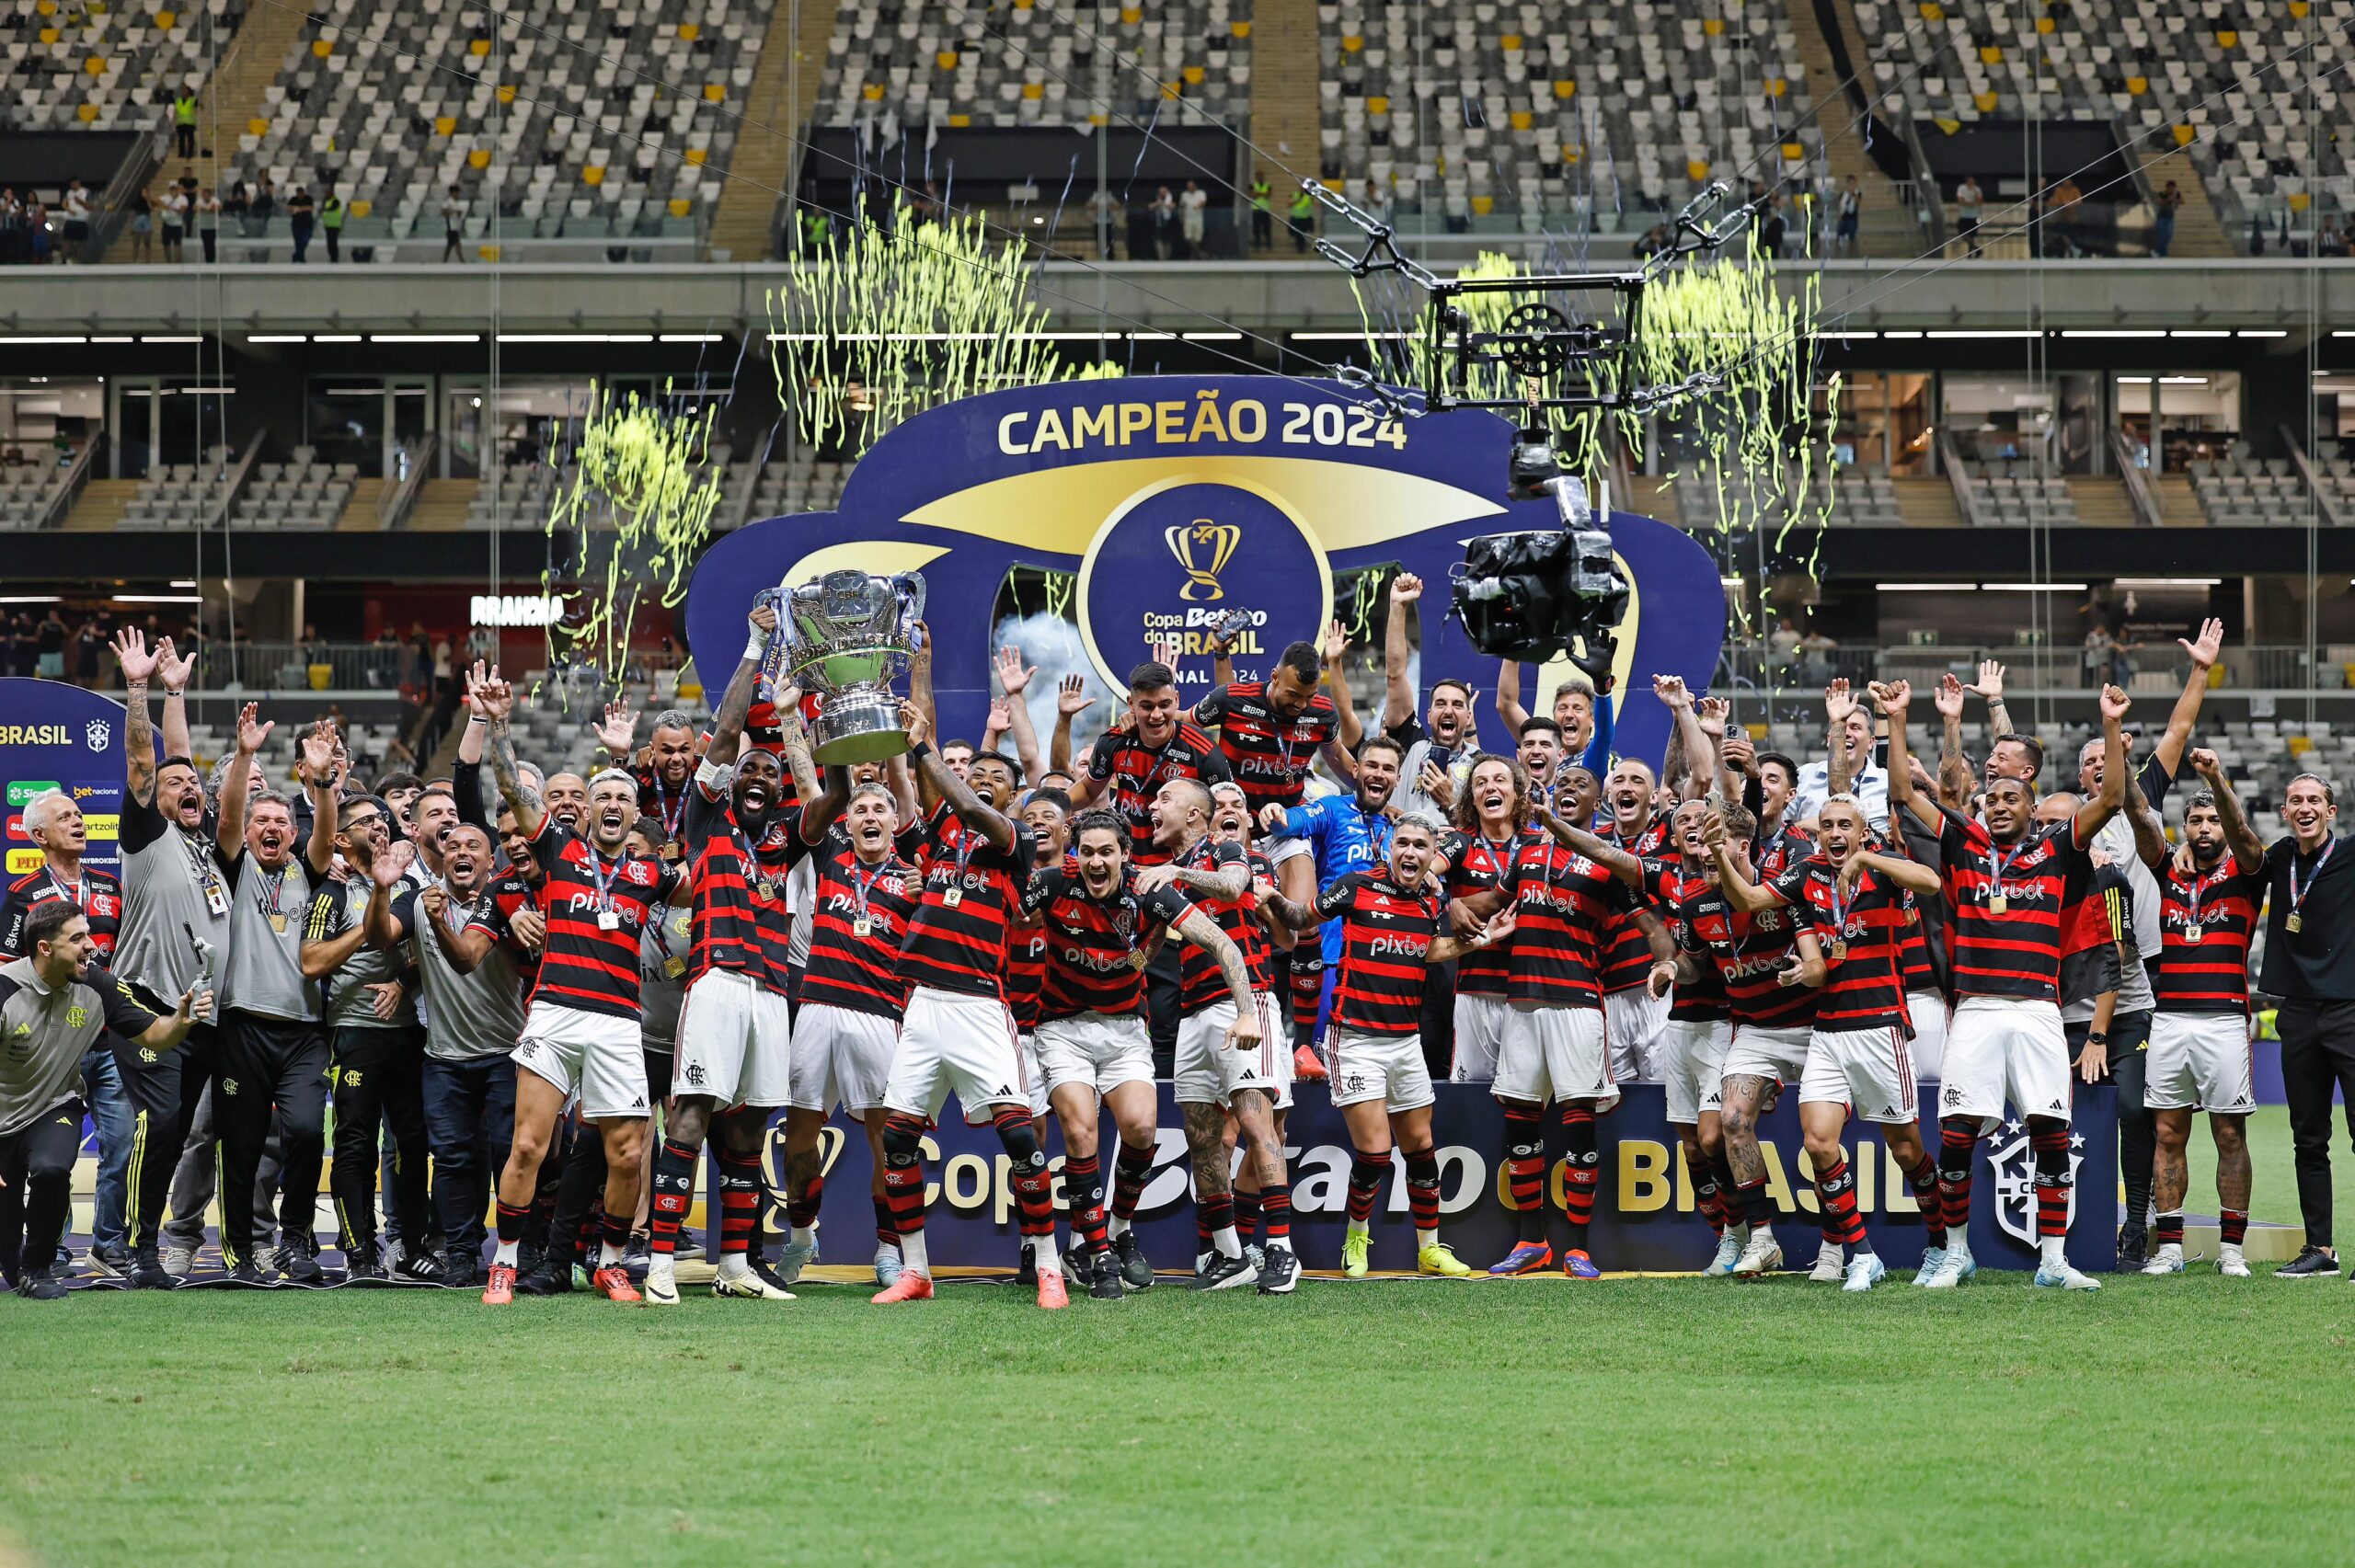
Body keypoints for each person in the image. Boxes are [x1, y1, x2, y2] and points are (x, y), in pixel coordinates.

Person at [1882, 676, 2129, 1292]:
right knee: (1959, 1132)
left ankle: (2052, 1259)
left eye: (2009, 796)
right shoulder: (1962, 842)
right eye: (1989, 796)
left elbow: (2115, 798)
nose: (1996, 804)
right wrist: (1896, 718)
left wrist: (2112, 727)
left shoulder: (2056, 848)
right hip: (1978, 1009)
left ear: (2030, 801)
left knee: (2050, 1130)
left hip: (2040, 1010)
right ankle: (1955, 1252)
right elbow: (1899, 791)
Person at [476, 671, 685, 1305]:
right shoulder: (560, 850)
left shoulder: (651, 871)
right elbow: (512, 787)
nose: (614, 803)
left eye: (624, 794)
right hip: (557, 1014)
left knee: (627, 1155)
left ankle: (613, 1260)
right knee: (530, 1144)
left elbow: (706, 874)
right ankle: (506, 1260)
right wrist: (498, 723)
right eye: (605, 796)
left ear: (634, 807)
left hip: (619, 1021)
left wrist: (634, 763)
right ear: (589, 809)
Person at [645, 603, 813, 1307]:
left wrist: (795, 728)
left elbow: (824, 795)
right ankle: (658, 1263)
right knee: (691, 1113)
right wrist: (756, 643)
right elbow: (725, 734)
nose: (757, 776)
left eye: (770, 774)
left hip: (772, 990)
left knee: (747, 1128)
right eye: (749, 768)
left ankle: (736, 1263)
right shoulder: (707, 816)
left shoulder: (789, 833)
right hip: (715, 979)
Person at [870, 709, 1067, 1309]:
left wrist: (927, 746)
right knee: (899, 1139)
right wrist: (916, 718)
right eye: (974, 771)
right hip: (924, 1003)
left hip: (981, 1006)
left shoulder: (1015, 839)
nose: (982, 778)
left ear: (1013, 793)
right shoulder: (939, 837)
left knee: (1021, 1141)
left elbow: (968, 805)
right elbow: (917, 790)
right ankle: (917, 1270)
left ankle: (1050, 1268)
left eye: (994, 775)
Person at [1710, 795, 1943, 1291]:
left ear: (1862, 832)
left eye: (1846, 827)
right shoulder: (1808, 874)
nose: (1835, 834)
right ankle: (1862, 1254)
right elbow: (1750, 900)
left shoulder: (1882, 869)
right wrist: (1720, 860)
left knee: (1906, 1151)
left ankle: (1944, 1243)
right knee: (1819, 1142)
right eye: (1827, 827)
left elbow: (1932, 881)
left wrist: (1866, 858)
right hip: (1829, 1031)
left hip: (1880, 1028)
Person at [1272, 813, 1514, 1278]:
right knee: (1377, 1152)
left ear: (1431, 855)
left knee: (1422, 1146)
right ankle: (1355, 1241)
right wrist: (1270, 899)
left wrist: (1482, 940)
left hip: (1406, 1042)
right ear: (1388, 847)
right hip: (1356, 1040)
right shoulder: (1355, 886)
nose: (1410, 853)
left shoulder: (1432, 899)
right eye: (1402, 843)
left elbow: (1429, 951)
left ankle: (1430, 1250)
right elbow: (1303, 918)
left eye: (1421, 846)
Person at [1030, 806, 1259, 1294]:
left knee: (1140, 1129)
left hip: (1126, 1029)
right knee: (1081, 1132)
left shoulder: (1148, 891)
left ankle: (1115, 1233)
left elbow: (1223, 945)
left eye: (1106, 853)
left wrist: (1246, 1011)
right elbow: (997, 912)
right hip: (1061, 1028)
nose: (1096, 862)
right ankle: (1094, 1256)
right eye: (1087, 851)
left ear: (1125, 856)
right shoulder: (1052, 883)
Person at [0, 904, 212, 1299]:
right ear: (45, 948)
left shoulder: (97, 983)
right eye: (77, 939)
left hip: (54, 1104)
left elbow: (155, 1035)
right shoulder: (5, 989)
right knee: (6, 1243)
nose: (91, 946)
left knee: (51, 1168)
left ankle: (39, 1267)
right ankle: (17, 1266)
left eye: (89, 935)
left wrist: (182, 1020)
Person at [212, 709, 342, 1285]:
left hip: (303, 1033)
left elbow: (327, 834)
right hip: (242, 1027)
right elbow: (229, 815)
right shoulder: (234, 869)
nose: (268, 827)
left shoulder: (307, 872)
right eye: (260, 819)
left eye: (279, 822)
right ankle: (240, 1247)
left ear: (291, 832)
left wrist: (321, 782)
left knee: (309, 1132)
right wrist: (243, 757)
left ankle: (293, 1238)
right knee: (239, 1145)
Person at [775, 775, 920, 1288]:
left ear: (895, 821)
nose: (870, 817)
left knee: (884, 1139)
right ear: (848, 822)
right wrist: (794, 720)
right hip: (815, 1008)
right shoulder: (830, 860)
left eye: (880, 809)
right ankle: (800, 1238)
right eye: (860, 809)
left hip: (878, 1015)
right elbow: (815, 787)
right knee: (797, 1138)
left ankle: (888, 1247)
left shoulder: (913, 880)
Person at [372, 819, 529, 1288]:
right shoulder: (418, 899)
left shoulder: (507, 901)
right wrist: (381, 891)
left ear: (489, 858)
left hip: (506, 1051)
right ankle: (461, 1253)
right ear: (440, 857)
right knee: (454, 1158)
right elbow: (382, 937)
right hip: (444, 1057)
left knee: (510, 1155)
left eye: (473, 846)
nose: (462, 853)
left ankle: (517, 1251)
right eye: (452, 845)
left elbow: (465, 959)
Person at [2124, 750, 2263, 1277]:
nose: (2205, 829)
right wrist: (2120, 749)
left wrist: (2214, 779)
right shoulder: (2167, 869)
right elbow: (2138, 814)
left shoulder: (2250, 872)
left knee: (2230, 1135)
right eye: (2195, 820)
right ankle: (2170, 1248)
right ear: (2184, 826)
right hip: (2170, 1019)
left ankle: (2231, 1250)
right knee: (2168, 1134)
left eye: (2213, 820)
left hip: (2224, 1019)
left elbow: (2245, 835)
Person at [1155, 777, 1295, 1292]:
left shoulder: (1226, 849)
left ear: (1195, 815)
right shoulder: (1168, 879)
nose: (1153, 807)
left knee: (1258, 1126)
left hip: (1246, 1000)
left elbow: (1235, 887)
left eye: (1165, 799)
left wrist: (1174, 870)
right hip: (1192, 1012)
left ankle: (1281, 1250)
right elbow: (1145, 952)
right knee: (1201, 1138)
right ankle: (1230, 1256)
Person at [300, 795, 441, 1283]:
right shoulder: (331, 893)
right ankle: (358, 1250)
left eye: (383, 820)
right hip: (354, 1032)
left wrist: (404, 977)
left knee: (411, 1142)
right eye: (366, 822)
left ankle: (411, 1248)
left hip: (406, 1032)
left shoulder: (412, 888)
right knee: (354, 1143)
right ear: (341, 839)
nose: (380, 826)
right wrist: (367, 926)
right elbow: (312, 962)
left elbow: (432, 954)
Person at [0, 790, 132, 1277]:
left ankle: (108, 1245)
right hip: (51, 1048)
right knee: (51, 1161)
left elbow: (119, 960)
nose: (79, 822)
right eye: (66, 818)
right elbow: (7, 969)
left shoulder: (108, 884)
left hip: (107, 1038)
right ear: (39, 836)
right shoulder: (23, 892)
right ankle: (51, 1250)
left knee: (120, 1145)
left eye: (80, 815)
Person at [2257, 772, 2355, 1277]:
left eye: (2315, 799)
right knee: (2308, 1137)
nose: (2305, 807)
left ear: (2331, 810)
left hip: (2349, 1010)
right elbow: (2234, 847)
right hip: (2296, 1011)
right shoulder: (2277, 859)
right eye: (2296, 800)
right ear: (2285, 811)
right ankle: (2321, 1249)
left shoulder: (2351, 854)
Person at [1178, 178, 1208, 258]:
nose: (1190, 188)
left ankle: (1193, 255)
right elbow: (1182, 207)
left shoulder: (1201, 193)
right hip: (1188, 219)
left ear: (1195, 186)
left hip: (1198, 218)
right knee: (1188, 237)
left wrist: (1198, 206)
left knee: (1197, 238)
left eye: (1191, 186)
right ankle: (1200, 252)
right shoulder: (1184, 195)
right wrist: (1181, 218)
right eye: (1188, 187)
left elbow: (1203, 202)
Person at [2151, 180, 2181, 258]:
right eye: (2170, 188)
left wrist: (2175, 199)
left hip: (2170, 217)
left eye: (2173, 188)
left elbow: (2181, 201)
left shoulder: (2176, 195)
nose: (2171, 189)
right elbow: (2157, 201)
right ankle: (2160, 252)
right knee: (2161, 235)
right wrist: (2168, 199)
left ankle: (2159, 251)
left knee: (2168, 235)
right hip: (2162, 217)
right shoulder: (2163, 194)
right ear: (2167, 188)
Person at [1955, 175, 1982, 255]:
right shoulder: (1961, 188)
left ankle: (1971, 253)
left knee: (1972, 235)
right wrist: (1971, 204)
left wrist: (1975, 193)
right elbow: (1961, 201)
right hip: (1964, 216)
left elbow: (1979, 202)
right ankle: (1976, 249)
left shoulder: (1977, 189)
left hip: (1975, 217)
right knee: (1962, 232)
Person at [159, 184, 187, 264]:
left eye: (174, 189)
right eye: (171, 189)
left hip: (177, 224)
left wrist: (172, 208)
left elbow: (182, 210)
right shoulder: (165, 197)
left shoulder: (182, 198)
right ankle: (168, 262)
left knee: (177, 244)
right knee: (166, 244)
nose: (173, 191)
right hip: (167, 224)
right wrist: (165, 206)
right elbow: (157, 201)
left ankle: (178, 262)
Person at [287, 186, 315, 263]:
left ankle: (297, 255)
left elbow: (310, 208)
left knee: (305, 239)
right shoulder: (294, 199)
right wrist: (295, 208)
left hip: (307, 223)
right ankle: (300, 257)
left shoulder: (308, 199)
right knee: (298, 241)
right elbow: (288, 207)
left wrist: (299, 209)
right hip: (296, 224)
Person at [1834, 175, 1860, 256]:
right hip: (1843, 219)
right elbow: (1839, 206)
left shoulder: (1857, 194)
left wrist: (1853, 194)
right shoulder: (1843, 194)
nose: (1852, 185)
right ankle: (1838, 253)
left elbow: (1857, 204)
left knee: (1852, 238)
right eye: (1851, 183)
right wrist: (1839, 217)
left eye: (1854, 183)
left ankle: (1852, 254)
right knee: (1839, 237)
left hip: (1852, 219)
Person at [1287, 182, 1316, 253]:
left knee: (1301, 234)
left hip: (1305, 218)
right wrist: (1297, 200)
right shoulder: (1294, 194)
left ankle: (1301, 248)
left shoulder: (1309, 196)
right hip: (1296, 217)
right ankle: (1300, 246)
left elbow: (1312, 204)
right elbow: (1289, 204)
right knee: (1296, 233)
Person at [442, 185, 467, 262]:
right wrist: (455, 212)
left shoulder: (455, 203)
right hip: (451, 226)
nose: (458, 195)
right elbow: (443, 212)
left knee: (450, 245)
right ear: (453, 193)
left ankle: (444, 261)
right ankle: (462, 261)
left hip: (455, 226)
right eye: (457, 193)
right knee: (457, 244)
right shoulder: (448, 202)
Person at [1248, 170, 1273, 248]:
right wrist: (1263, 193)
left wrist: (1258, 193)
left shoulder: (1267, 185)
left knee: (1267, 227)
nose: (1260, 177)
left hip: (1265, 209)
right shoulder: (1252, 185)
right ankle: (1257, 242)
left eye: (1261, 176)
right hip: (1256, 209)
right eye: (1259, 176)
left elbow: (1268, 195)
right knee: (1256, 227)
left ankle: (1268, 241)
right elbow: (1253, 195)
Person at [126, 188, 153, 261]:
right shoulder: (136, 202)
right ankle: (134, 260)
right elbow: (132, 213)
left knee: (147, 242)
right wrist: (131, 225)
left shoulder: (149, 201)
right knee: (136, 243)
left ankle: (148, 260)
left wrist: (148, 200)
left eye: (146, 192)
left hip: (147, 220)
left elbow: (151, 209)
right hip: (137, 221)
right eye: (143, 192)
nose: (145, 194)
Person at [196, 186, 220, 263]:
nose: (205, 197)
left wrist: (204, 209)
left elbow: (218, 208)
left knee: (212, 245)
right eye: (203, 195)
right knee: (205, 245)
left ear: (210, 195)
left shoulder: (215, 200)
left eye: (206, 195)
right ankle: (208, 261)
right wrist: (209, 209)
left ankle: (212, 261)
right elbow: (195, 208)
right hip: (203, 226)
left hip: (213, 227)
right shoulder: (199, 200)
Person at [320, 185, 344, 263]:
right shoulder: (327, 201)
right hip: (328, 225)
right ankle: (332, 257)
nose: (326, 194)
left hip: (335, 225)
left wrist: (324, 209)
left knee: (333, 242)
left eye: (327, 192)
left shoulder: (335, 201)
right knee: (330, 243)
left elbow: (332, 208)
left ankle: (335, 258)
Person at [172, 89, 199, 157]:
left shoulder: (193, 100)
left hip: (190, 122)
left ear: (189, 91)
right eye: (183, 91)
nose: (184, 92)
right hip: (180, 122)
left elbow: (199, 107)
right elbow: (176, 111)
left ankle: (190, 153)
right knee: (181, 139)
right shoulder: (178, 100)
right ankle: (181, 153)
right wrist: (174, 121)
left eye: (186, 90)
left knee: (190, 139)